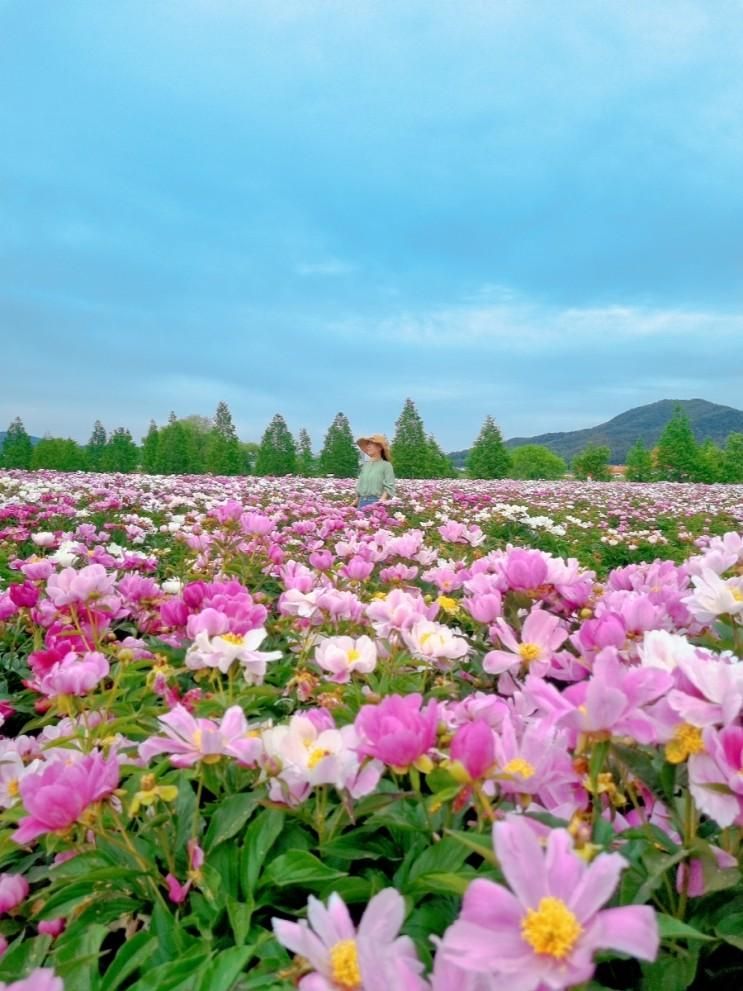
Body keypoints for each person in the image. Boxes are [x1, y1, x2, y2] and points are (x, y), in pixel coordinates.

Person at [353, 433, 395, 509]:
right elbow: (360, 485)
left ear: (379, 447)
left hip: (376, 502)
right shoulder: (365, 466)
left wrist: (382, 500)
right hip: (361, 502)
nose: (368, 447)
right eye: (367, 445)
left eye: (371, 444)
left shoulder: (386, 465)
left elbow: (389, 485)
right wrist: (355, 502)